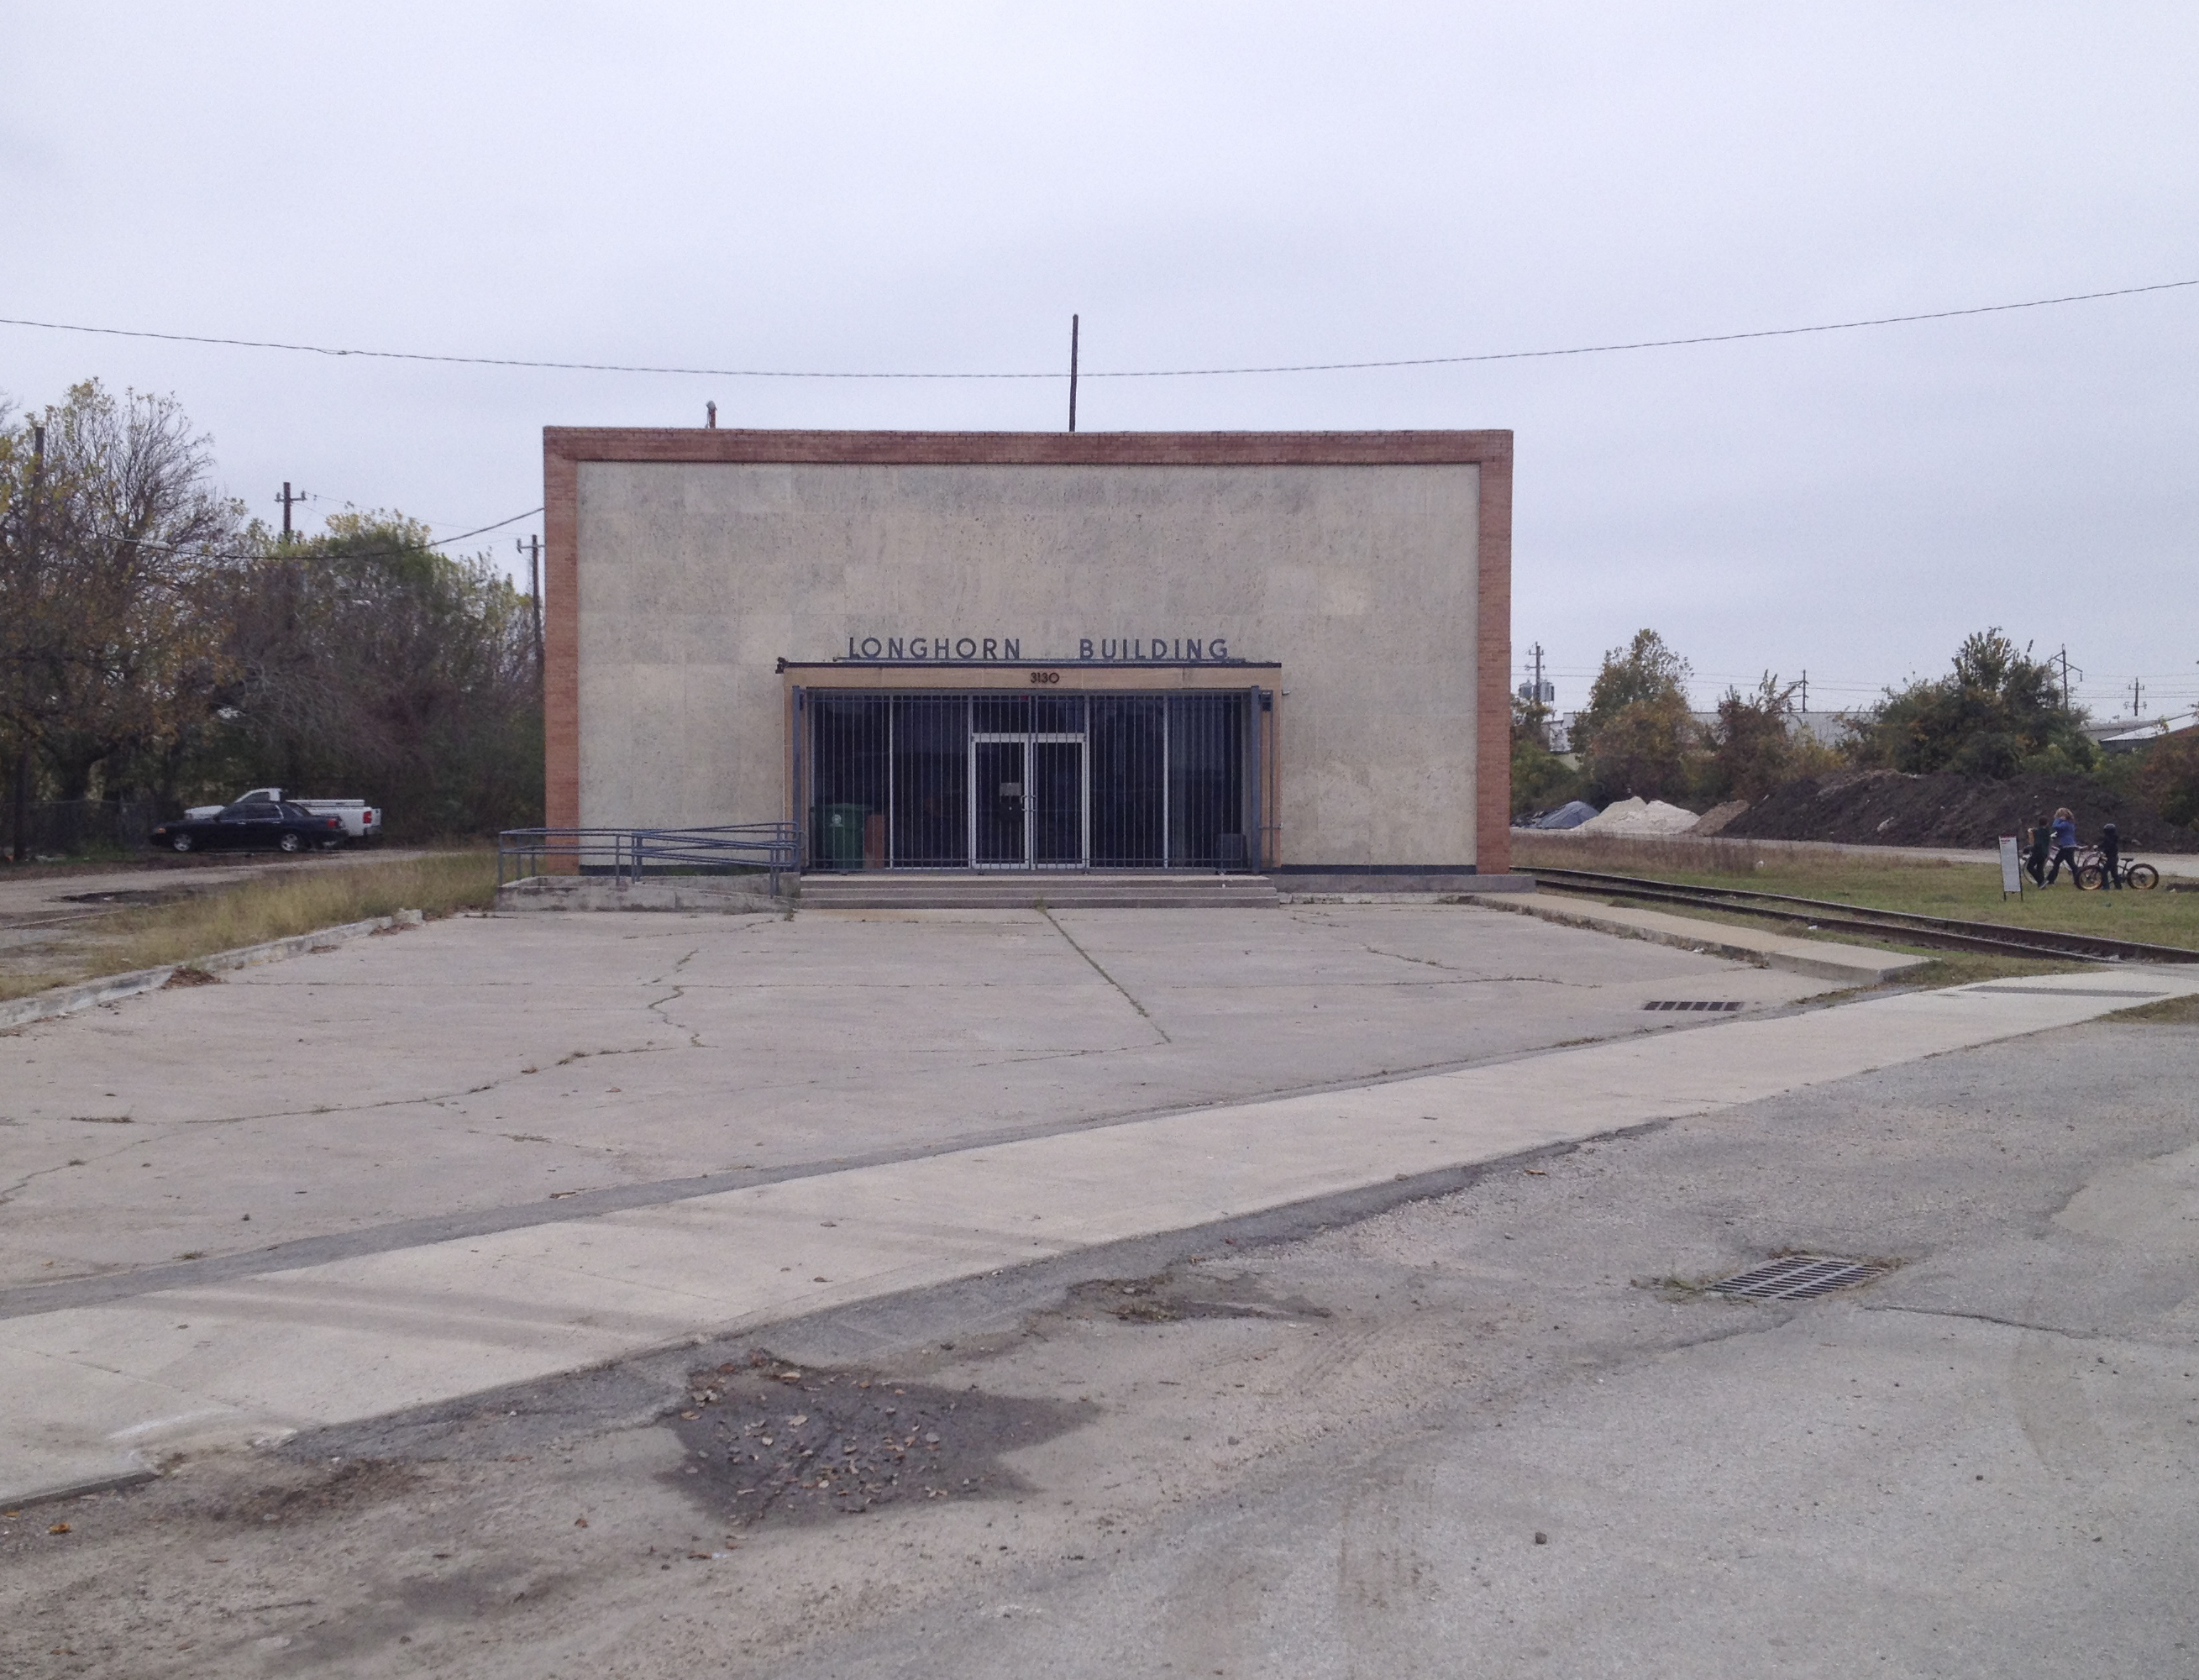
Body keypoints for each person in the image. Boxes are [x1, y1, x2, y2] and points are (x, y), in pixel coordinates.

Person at [2042, 806, 2081, 886]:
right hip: (2069, 845)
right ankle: (2078, 878)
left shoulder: (2064, 823)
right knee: (2069, 864)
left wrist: (2058, 820)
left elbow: (2055, 826)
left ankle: (2050, 880)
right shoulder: (2070, 824)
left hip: (2066, 846)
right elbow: (2063, 833)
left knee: (2060, 863)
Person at [2023, 813, 2051, 887]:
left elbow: (2037, 843)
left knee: (2030, 867)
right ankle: (2042, 885)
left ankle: (2040, 881)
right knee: (2040, 868)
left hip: (2038, 852)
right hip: (2045, 852)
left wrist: (2031, 848)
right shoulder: (2047, 831)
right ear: (2047, 823)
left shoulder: (2037, 832)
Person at [2097, 821, 2122, 890]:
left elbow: (2107, 846)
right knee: (2114, 873)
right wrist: (2099, 847)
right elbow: (2104, 844)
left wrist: (2103, 850)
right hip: (2114, 857)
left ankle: (2106, 887)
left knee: (2104, 871)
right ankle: (2118, 887)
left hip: (2112, 857)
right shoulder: (2113, 837)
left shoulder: (2109, 838)